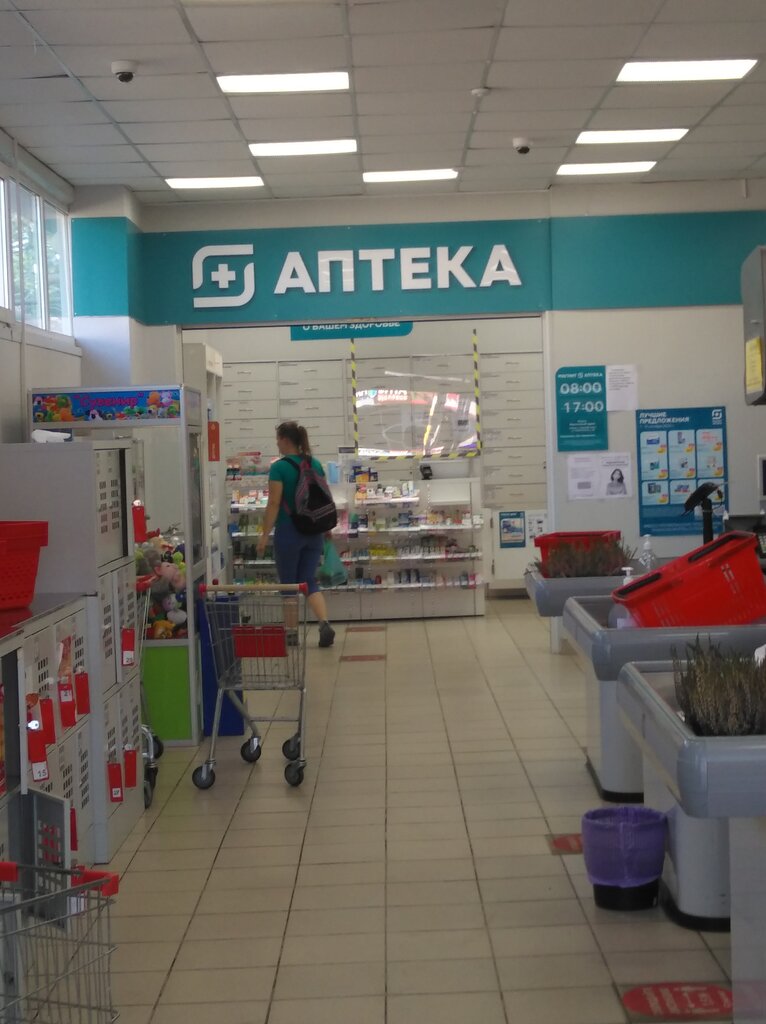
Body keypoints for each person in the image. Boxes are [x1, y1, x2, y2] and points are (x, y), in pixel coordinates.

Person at [256, 421, 335, 648]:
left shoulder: (279, 468)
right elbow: (323, 498)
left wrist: (264, 534)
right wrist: (326, 528)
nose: (277, 443)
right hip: (314, 531)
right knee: (309, 580)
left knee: (289, 583)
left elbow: (274, 503)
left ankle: (291, 634)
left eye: (278, 439)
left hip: (289, 532)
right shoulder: (314, 463)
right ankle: (324, 623)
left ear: (284, 440)